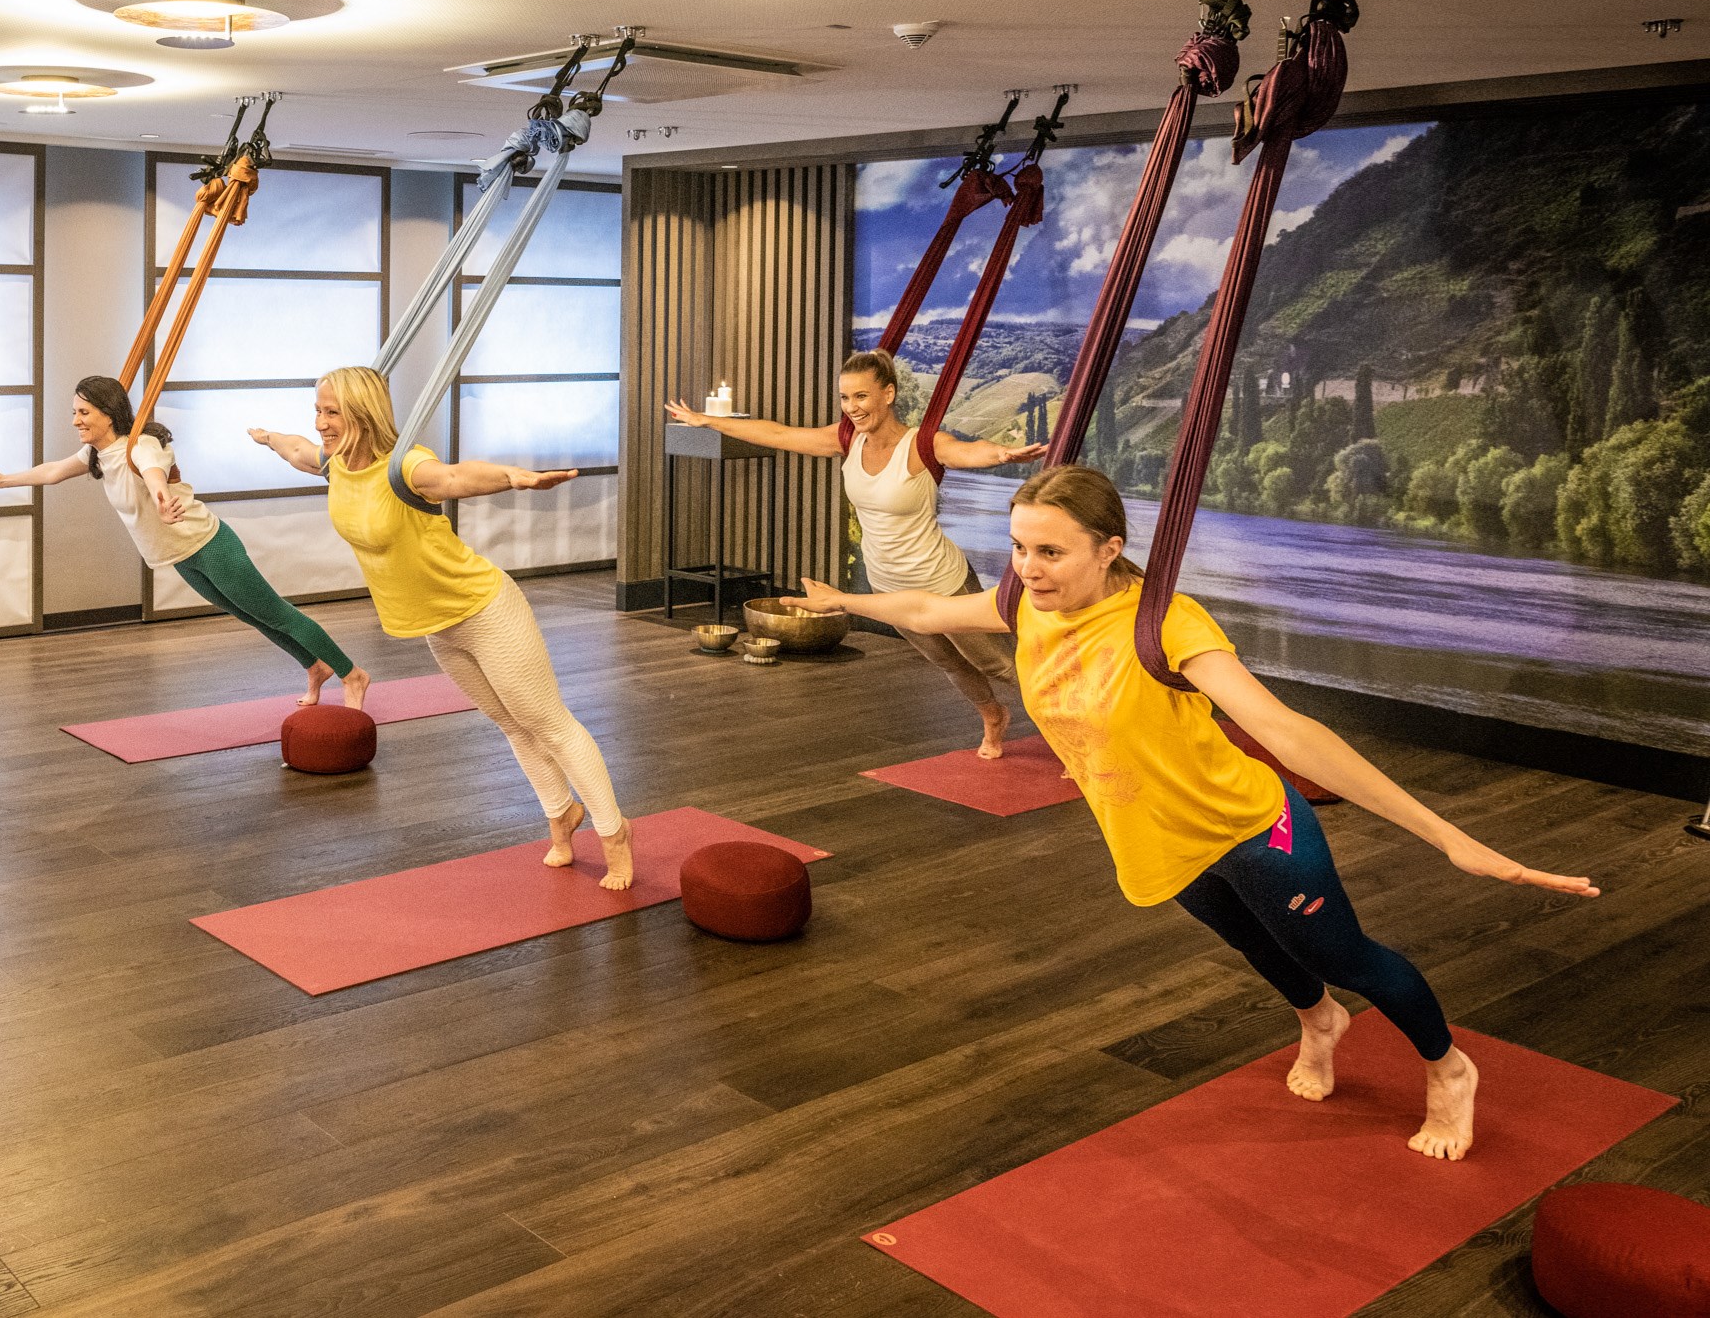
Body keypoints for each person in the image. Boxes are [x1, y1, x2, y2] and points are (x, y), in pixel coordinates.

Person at [786, 464, 1599, 1161]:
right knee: (1254, 943)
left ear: (1108, 549)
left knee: (1345, 955)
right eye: (1020, 547)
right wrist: (844, 599)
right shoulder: (1026, 600)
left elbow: (1287, 731)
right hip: (1157, 837)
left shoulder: (1163, 622)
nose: (1028, 567)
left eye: (1051, 551)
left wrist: (1448, 837)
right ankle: (1319, 1021)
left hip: (1252, 830)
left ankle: (1449, 1067)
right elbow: (928, 611)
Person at [249, 366, 634, 889]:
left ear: (362, 413)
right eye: (317, 410)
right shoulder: (333, 465)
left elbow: (454, 478)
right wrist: (269, 437)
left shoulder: (404, 466)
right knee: (510, 723)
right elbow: (296, 449)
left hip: (484, 609)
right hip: (438, 626)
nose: (320, 423)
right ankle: (561, 814)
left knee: (548, 723)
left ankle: (615, 832)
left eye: (332, 412)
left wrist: (514, 477)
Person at [665, 348, 1042, 758]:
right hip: (888, 587)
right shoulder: (846, 439)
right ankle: (992, 715)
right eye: (845, 398)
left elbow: (967, 451)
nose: (852, 407)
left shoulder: (922, 445)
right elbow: (778, 434)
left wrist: (1000, 454)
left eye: (861, 396)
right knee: (948, 663)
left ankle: (1079, 734)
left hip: (942, 582)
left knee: (998, 665)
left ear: (888, 394)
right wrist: (708, 421)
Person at [0, 375, 369, 708]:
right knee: (250, 615)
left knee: (276, 613)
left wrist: (162, 499)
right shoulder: (96, 453)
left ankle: (352, 674)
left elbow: (152, 472)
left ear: (108, 414)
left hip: (211, 546)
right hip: (181, 555)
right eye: (75, 412)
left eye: (83, 412)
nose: (75, 420)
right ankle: (315, 666)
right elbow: (53, 472)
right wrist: (4, 480)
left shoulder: (140, 444)